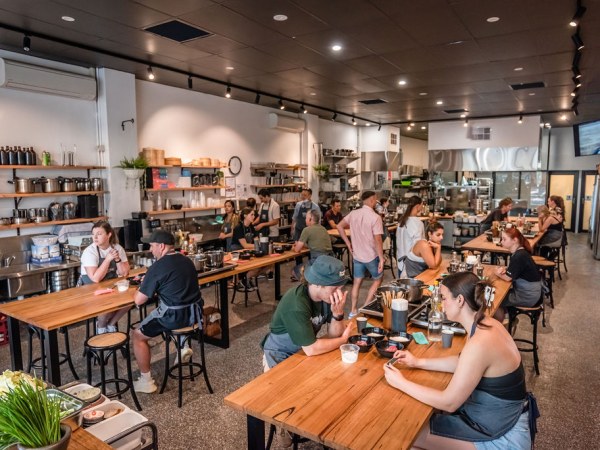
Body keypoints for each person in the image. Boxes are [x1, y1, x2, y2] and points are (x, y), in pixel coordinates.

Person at [383, 272, 538, 449]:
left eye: (444, 298)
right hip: (501, 418)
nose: (441, 304)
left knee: (408, 435)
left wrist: (401, 382)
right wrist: (418, 362)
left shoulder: (480, 342)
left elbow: (449, 402)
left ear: (460, 300)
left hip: (503, 435)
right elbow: (462, 362)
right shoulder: (486, 323)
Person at [132, 230, 203, 394]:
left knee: (137, 335)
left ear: (162, 246)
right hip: (194, 314)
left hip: (174, 317)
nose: (150, 250)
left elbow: (139, 300)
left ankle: (146, 381)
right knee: (172, 308)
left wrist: (142, 286)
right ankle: (182, 345)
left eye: (152, 246)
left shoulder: (157, 267)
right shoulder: (186, 260)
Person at [261, 255, 354, 369]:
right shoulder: (296, 303)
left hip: (301, 350)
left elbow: (333, 336)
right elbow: (311, 349)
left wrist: (338, 314)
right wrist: (342, 340)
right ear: (317, 283)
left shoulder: (326, 298)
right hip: (279, 355)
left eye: (341, 288)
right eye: (335, 288)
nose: (339, 293)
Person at [336, 190, 384, 318]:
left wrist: (348, 243)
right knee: (378, 280)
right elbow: (378, 240)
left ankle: (353, 311)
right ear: (372, 200)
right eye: (375, 199)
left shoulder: (353, 213)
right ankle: (365, 308)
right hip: (371, 255)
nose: (376, 202)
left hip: (357, 255)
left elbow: (339, 226)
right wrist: (381, 258)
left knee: (356, 283)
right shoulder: (375, 217)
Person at [79, 220, 130, 334]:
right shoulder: (90, 252)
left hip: (109, 285)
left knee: (130, 300)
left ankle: (111, 323)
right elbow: (95, 278)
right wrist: (107, 259)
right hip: (90, 289)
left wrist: (117, 259)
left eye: (99, 234)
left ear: (109, 234)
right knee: (107, 304)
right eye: (93, 234)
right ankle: (101, 327)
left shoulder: (117, 248)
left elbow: (124, 273)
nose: (95, 237)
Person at [494, 227, 542, 322]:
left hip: (527, 296)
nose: (501, 241)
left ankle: (503, 324)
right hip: (532, 292)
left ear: (514, 240)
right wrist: (506, 270)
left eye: (504, 239)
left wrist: (496, 272)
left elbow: (508, 278)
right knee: (499, 294)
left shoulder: (519, 256)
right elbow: (516, 270)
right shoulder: (520, 252)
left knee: (496, 299)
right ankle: (507, 316)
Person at [231, 207, 268, 289]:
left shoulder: (251, 226)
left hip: (247, 252)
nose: (254, 217)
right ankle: (244, 279)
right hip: (238, 253)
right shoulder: (238, 228)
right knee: (256, 266)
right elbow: (245, 245)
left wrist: (260, 244)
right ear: (245, 216)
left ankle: (247, 278)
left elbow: (256, 240)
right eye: (251, 215)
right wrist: (260, 245)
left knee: (267, 265)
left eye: (254, 215)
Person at [293, 209, 333, 279]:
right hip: (329, 260)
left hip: (317, 261)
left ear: (310, 219)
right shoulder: (323, 229)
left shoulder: (307, 230)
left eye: (306, 218)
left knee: (295, 270)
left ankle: (308, 283)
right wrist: (304, 245)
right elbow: (316, 244)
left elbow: (297, 250)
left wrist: (296, 246)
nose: (305, 220)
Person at [396, 196, 425, 276]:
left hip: (400, 260)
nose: (422, 207)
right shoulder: (418, 223)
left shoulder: (401, 221)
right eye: (422, 205)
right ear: (417, 206)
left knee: (401, 282)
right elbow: (419, 245)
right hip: (412, 264)